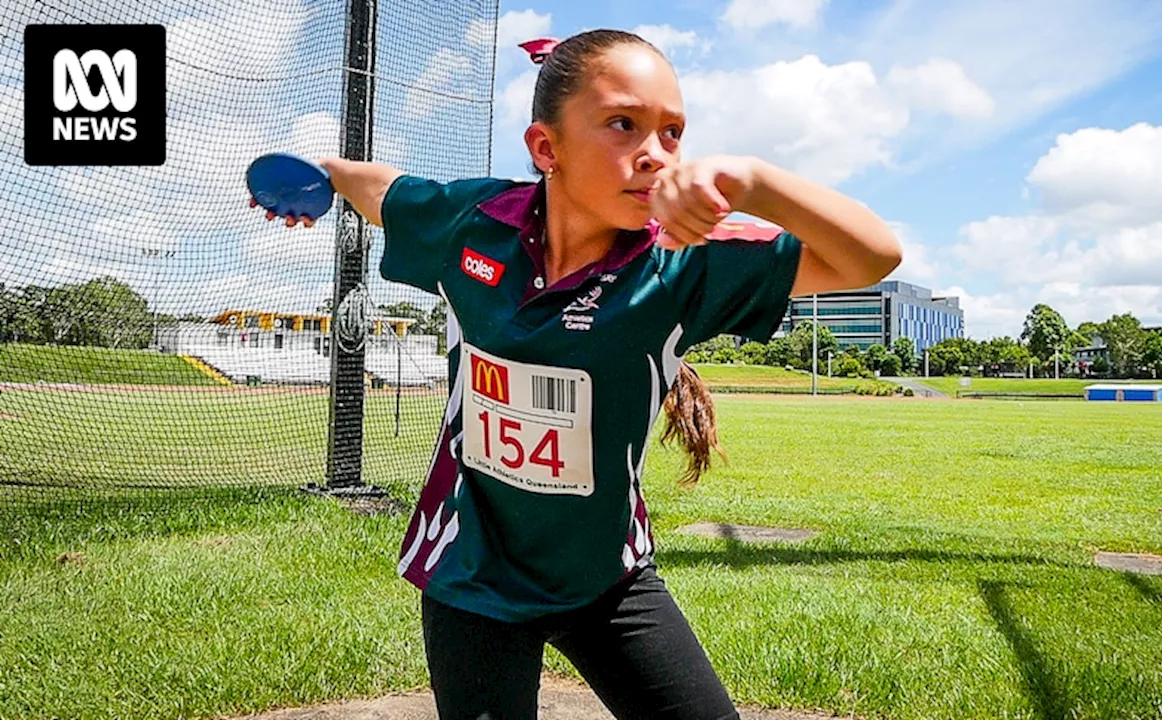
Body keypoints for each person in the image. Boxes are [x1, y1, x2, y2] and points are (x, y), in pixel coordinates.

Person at [251, 28, 900, 720]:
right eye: (623, 124)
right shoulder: (473, 225)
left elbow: (872, 256)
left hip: (606, 580)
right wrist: (320, 176)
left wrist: (750, 180)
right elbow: (383, 189)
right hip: (473, 571)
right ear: (546, 148)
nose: (653, 154)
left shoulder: (683, 265)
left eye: (673, 133)